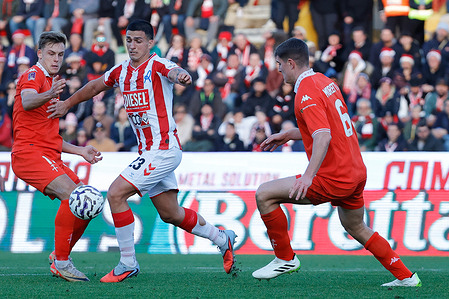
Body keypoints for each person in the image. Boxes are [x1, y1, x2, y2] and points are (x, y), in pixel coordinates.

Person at [47, 20, 237, 282]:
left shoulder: (158, 64)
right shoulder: (121, 71)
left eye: (138, 40)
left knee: (115, 194)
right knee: (171, 213)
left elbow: (176, 72)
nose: (133, 45)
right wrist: (67, 103)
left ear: (150, 43)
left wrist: (182, 76)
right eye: (129, 40)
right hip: (148, 152)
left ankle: (128, 262)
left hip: (163, 149)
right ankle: (222, 238)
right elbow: (93, 87)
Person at [251, 38, 421, 287]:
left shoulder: (305, 92)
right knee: (357, 227)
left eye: (279, 64)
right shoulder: (324, 81)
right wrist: (289, 134)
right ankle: (406, 276)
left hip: (335, 176)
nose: (277, 70)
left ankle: (284, 258)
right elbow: (334, 125)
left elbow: (323, 135)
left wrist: (308, 176)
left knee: (264, 194)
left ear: (290, 63)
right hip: (355, 172)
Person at [11, 31, 103, 282]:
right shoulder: (34, 75)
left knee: (89, 204)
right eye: (51, 53)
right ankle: (62, 262)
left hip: (45, 152)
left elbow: (50, 138)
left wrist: (81, 150)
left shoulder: (51, 82)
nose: (56, 59)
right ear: (39, 53)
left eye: (60, 54)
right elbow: (28, 100)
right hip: (28, 153)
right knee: (75, 197)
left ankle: (60, 255)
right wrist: (50, 93)